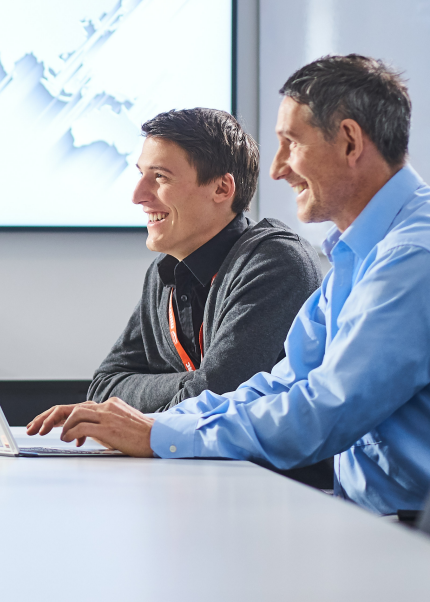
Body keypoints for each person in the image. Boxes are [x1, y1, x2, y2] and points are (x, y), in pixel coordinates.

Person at [30, 56, 430, 515]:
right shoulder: (357, 254)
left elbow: (324, 410)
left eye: (291, 143)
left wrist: (158, 433)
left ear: (350, 142)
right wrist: (149, 426)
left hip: (408, 535)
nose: (277, 169)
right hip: (367, 519)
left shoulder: (412, 256)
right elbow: (282, 384)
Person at [88, 108, 320, 412]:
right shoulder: (163, 272)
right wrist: (192, 383)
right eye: (140, 175)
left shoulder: (277, 262)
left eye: (160, 176)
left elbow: (217, 399)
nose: (138, 195)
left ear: (221, 188)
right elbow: (104, 388)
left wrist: (197, 387)